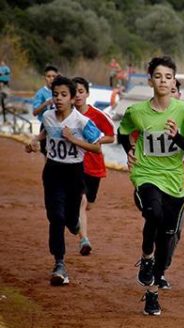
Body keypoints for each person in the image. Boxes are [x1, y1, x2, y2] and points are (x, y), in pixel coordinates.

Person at [117, 56, 184, 315]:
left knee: (167, 243)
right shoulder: (136, 111)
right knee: (152, 212)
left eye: (168, 77)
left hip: (174, 182)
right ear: (150, 80)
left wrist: (177, 136)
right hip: (146, 175)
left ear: (174, 81)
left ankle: (152, 291)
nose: (163, 81)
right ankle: (145, 258)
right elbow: (123, 131)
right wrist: (129, 148)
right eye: (158, 76)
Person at [24, 76, 103, 285]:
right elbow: (43, 133)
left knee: (68, 219)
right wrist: (33, 142)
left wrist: (74, 139)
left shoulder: (82, 122)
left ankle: (74, 223)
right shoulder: (48, 116)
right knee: (55, 217)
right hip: (52, 171)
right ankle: (59, 263)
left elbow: (97, 147)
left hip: (74, 174)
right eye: (55, 95)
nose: (58, 99)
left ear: (72, 97)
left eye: (63, 95)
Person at [72, 77, 116, 256]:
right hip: (75, 164)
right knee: (80, 202)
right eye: (74, 92)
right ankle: (84, 240)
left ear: (87, 94)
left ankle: (76, 221)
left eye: (81, 92)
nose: (77, 96)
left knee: (88, 204)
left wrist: (93, 139)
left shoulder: (98, 115)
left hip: (94, 166)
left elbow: (111, 136)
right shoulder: (66, 114)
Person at [33, 65, 59, 155]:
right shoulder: (41, 93)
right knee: (47, 154)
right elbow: (35, 112)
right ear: (44, 78)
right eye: (48, 76)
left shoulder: (61, 91)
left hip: (60, 125)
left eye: (54, 76)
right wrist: (45, 103)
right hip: (46, 125)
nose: (51, 79)